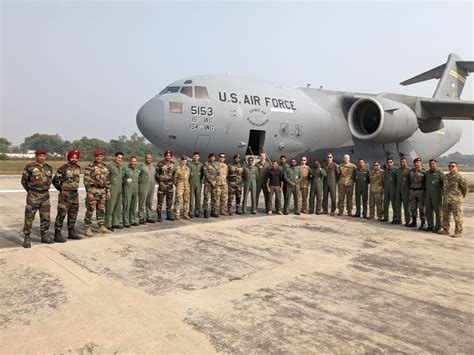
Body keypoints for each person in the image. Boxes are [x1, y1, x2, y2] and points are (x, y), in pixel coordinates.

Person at [21, 148, 54, 248]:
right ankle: (27, 237)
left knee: (45, 217)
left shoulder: (48, 167)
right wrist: (30, 191)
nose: (42, 157)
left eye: (44, 156)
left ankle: (44, 236)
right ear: (36, 156)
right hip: (33, 195)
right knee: (29, 217)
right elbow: (24, 181)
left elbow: (49, 180)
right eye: (40, 155)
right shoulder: (30, 167)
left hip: (45, 195)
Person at [52, 149, 81, 242]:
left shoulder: (78, 168)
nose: (74, 159)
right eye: (72, 157)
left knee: (73, 214)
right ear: (69, 158)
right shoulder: (63, 168)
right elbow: (55, 181)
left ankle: (71, 232)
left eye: (76, 158)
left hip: (74, 194)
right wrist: (62, 189)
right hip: (65, 195)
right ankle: (57, 234)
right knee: (61, 214)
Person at [84, 149, 111, 237]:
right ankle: (87, 227)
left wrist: (108, 190)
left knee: (101, 209)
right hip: (93, 190)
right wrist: (89, 193)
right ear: (94, 157)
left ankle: (101, 226)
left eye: (100, 156)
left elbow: (107, 179)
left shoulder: (105, 167)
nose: (99, 158)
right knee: (90, 210)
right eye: (97, 156)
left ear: (102, 157)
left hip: (102, 191)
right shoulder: (90, 167)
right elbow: (86, 181)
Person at [440, 162, 468, 238]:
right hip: (446, 199)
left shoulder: (460, 177)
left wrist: (460, 197)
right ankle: (445, 230)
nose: (451, 168)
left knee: (457, 217)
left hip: (456, 200)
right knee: (445, 215)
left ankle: (458, 232)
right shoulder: (446, 177)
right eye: (449, 166)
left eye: (453, 166)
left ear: (456, 167)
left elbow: (465, 189)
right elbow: (443, 187)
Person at [105, 152, 125, 230]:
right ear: (115, 157)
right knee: (110, 207)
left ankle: (115, 223)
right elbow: (106, 178)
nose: (119, 159)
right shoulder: (109, 166)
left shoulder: (121, 167)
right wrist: (108, 190)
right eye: (118, 157)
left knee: (117, 207)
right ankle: (108, 224)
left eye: (121, 158)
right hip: (112, 189)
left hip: (119, 190)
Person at [155, 149, 176, 222]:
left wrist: (172, 183)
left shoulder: (173, 163)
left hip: (170, 185)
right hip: (162, 185)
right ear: (165, 156)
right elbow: (156, 174)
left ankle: (169, 215)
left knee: (169, 201)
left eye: (170, 155)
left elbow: (174, 174)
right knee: (160, 201)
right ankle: (159, 216)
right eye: (167, 155)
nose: (168, 156)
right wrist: (160, 182)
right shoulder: (160, 163)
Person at [424, 159, 444, 232]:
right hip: (428, 195)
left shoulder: (440, 173)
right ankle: (430, 226)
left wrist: (444, 194)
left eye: (433, 163)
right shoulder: (427, 173)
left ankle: (438, 227)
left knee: (438, 211)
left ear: (436, 164)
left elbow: (443, 185)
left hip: (437, 195)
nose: (431, 165)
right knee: (428, 211)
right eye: (430, 164)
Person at [407, 157, 426, 229]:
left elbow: (426, 182)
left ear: (420, 163)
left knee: (422, 208)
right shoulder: (411, 171)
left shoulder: (424, 172)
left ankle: (423, 223)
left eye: (418, 162)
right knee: (413, 207)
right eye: (415, 162)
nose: (416, 163)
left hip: (420, 191)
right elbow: (408, 181)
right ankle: (414, 221)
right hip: (412, 191)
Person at [138, 153, 156, 224]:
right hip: (143, 186)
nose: (148, 159)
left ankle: (149, 216)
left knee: (149, 202)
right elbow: (137, 175)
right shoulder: (141, 167)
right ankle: (141, 217)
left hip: (151, 186)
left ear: (152, 159)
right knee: (142, 202)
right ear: (145, 159)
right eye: (147, 158)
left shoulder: (153, 167)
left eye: (150, 158)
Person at [122, 156, 140, 228]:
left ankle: (132, 220)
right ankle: (126, 221)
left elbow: (139, 180)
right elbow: (122, 179)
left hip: (135, 190)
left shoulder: (137, 171)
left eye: (135, 161)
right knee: (127, 205)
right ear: (130, 162)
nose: (133, 163)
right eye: (132, 161)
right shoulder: (126, 170)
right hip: (127, 190)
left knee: (133, 206)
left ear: (136, 162)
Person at [394, 157, 410, 226]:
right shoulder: (397, 171)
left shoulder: (409, 171)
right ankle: (398, 219)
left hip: (406, 190)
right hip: (398, 190)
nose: (402, 163)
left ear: (406, 162)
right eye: (401, 162)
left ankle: (407, 220)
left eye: (404, 162)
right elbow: (395, 180)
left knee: (406, 206)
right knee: (397, 206)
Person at [202, 153, 220, 218]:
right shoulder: (206, 164)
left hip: (215, 184)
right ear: (209, 158)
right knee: (206, 197)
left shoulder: (217, 164)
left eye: (213, 157)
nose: (212, 158)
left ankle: (213, 211)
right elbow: (206, 173)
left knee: (214, 198)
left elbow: (218, 173)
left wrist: (215, 181)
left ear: (214, 158)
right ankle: (205, 212)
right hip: (208, 184)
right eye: (211, 157)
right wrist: (211, 181)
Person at [174, 155, 191, 220]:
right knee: (178, 199)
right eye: (183, 161)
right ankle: (177, 214)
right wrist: (178, 184)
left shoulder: (188, 168)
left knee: (186, 200)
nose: (184, 162)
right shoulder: (177, 168)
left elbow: (188, 177)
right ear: (181, 161)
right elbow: (175, 178)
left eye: (185, 161)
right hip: (180, 184)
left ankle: (185, 214)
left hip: (186, 184)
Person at [188, 151, 204, 218]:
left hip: (198, 183)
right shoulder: (189, 164)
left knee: (198, 198)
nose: (196, 157)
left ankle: (197, 211)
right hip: (191, 182)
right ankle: (191, 212)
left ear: (199, 157)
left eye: (197, 156)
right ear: (193, 157)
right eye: (195, 156)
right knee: (191, 198)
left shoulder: (201, 165)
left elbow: (202, 174)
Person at [382, 158, 397, 222]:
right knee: (385, 204)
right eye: (388, 162)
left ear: (393, 163)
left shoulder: (395, 171)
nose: (389, 163)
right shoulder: (385, 171)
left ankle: (395, 218)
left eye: (390, 162)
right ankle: (385, 217)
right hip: (386, 189)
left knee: (394, 204)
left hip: (393, 189)